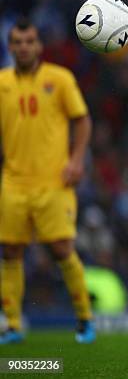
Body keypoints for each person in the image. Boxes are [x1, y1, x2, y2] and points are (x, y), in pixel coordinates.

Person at [0, 18, 95, 344]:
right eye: (17, 42)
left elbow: (82, 121)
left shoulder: (60, 79)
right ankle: (13, 325)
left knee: (61, 248)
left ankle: (84, 319)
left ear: (38, 46)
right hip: (13, 183)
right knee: (10, 251)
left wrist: (77, 160)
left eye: (29, 41)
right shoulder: (1, 83)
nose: (23, 47)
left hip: (54, 182)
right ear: (10, 47)